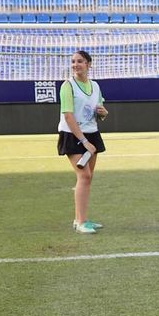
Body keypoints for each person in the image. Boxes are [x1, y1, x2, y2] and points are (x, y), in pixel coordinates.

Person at [57, 49, 108, 235]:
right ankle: (80, 222)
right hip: (73, 136)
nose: (75, 65)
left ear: (88, 64)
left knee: (87, 178)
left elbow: (98, 110)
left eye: (79, 61)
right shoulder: (67, 86)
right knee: (84, 176)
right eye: (73, 61)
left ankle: (81, 218)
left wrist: (103, 113)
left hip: (91, 134)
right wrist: (84, 141)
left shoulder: (95, 86)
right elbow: (68, 116)